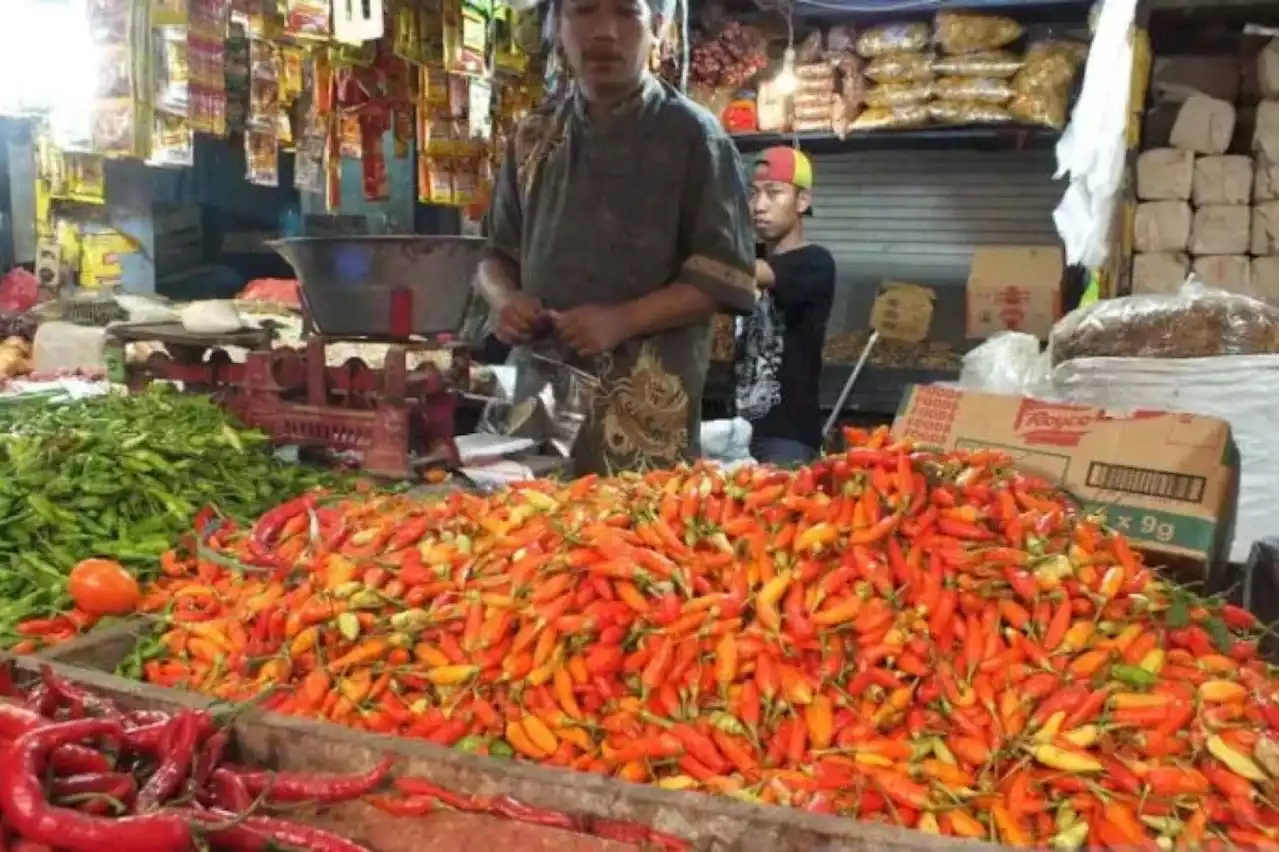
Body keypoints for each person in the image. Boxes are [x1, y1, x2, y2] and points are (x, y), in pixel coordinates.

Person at [473, 0, 756, 475]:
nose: (604, 32)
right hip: (537, 408)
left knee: (637, 540)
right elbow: (492, 254)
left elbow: (724, 276)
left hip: (643, 416)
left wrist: (622, 319)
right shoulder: (532, 134)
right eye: (583, 12)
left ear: (658, 28)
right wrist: (505, 299)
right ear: (557, 29)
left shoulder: (692, 136)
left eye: (627, 13)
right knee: (527, 536)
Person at [735, 146, 836, 465]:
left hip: (786, 439)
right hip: (736, 431)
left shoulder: (815, 261)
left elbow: (756, 273)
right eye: (753, 194)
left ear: (802, 202)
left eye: (773, 193)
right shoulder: (747, 257)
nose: (758, 206)